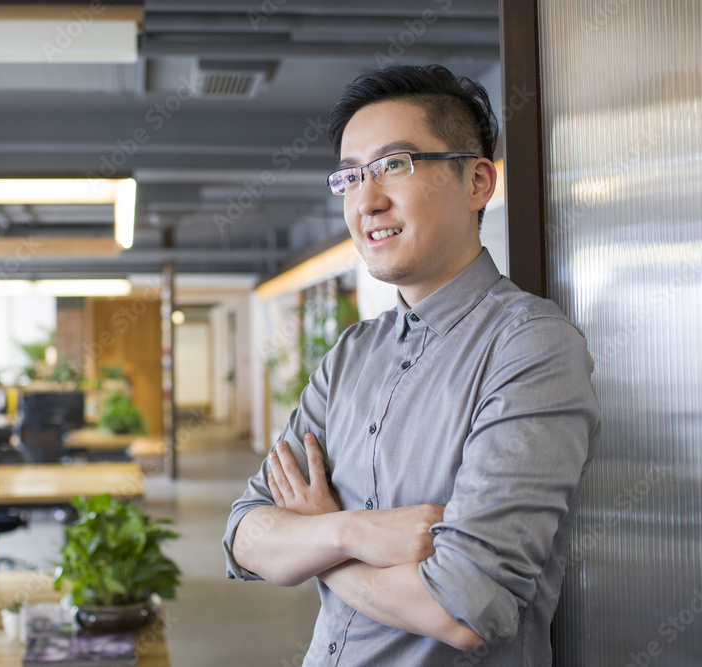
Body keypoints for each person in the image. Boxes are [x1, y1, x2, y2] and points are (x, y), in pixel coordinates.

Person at [222, 65, 601, 665]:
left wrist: (318, 545)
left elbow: (464, 605)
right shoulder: (351, 354)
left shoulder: (530, 348)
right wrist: (352, 532)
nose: (366, 200)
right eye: (350, 177)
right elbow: (244, 533)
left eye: (395, 165)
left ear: (477, 182)